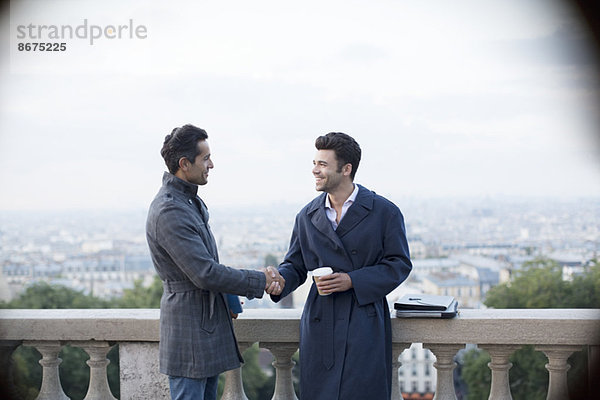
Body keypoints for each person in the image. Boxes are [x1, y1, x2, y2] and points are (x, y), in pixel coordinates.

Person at [146, 124, 284, 400]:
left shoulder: (186, 202)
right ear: (184, 164)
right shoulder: (171, 209)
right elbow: (204, 273)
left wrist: (229, 299)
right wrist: (261, 280)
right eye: (205, 158)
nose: (212, 164)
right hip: (188, 331)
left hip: (204, 324)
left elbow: (202, 265)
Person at [271, 132, 412, 400]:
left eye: (322, 164)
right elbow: (296, 265)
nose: (314, 170)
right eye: (314, 163)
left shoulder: (384, 212)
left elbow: (399, 264)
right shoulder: (307, 215)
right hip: (320, 321)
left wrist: (353, 280)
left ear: (346, 169)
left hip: (364, 321)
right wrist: (279, 279)